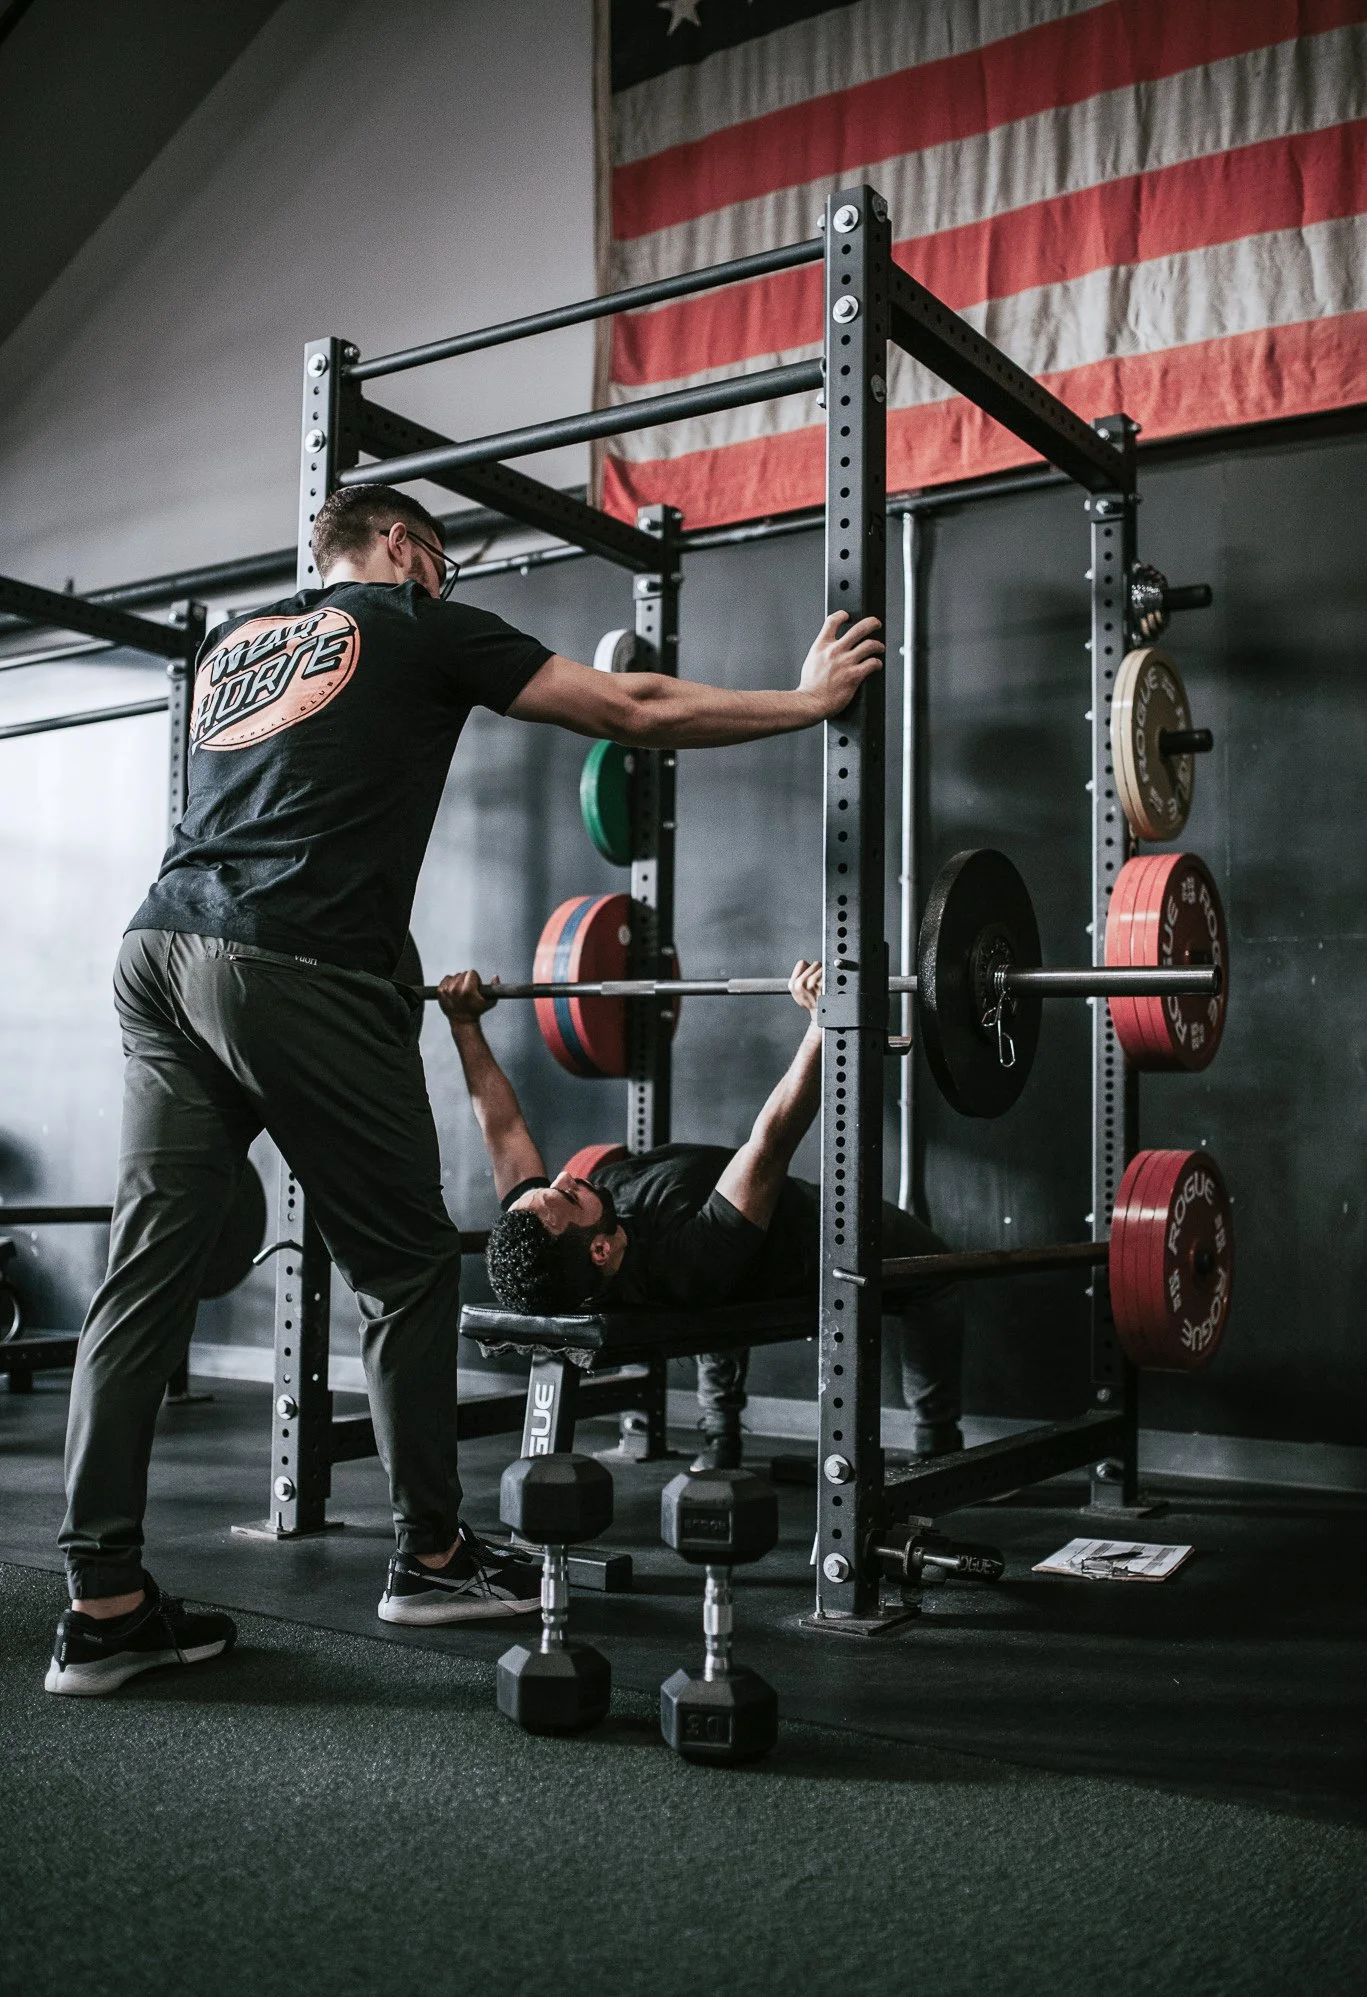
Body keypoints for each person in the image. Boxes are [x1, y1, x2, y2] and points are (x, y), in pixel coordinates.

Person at [46, 481, 884, 1695]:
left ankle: (105, 1600)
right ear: (398, 546)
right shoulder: (416, 619)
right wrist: (805, 703)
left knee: (141, 1278)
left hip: (160, 949)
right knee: (402, 1275)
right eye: (435, 555)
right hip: (289, 966)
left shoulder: (238, 643)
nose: (442, 573)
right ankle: (432, 1554)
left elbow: (288, 810)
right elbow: (632, 706)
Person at [439, 962, 963, 1472]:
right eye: (569, 1197)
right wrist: (820, 1026)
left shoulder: (542, 1227)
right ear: (599, 1249)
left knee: (715, 1279)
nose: (564, 1179)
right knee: (937, 1274)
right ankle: (940, 1448)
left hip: (718, 1254)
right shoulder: (685, 1258)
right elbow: (772, 1142)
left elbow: (502, 1128)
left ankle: (720, 1437)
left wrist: (464, 1024)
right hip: (815, 1232)